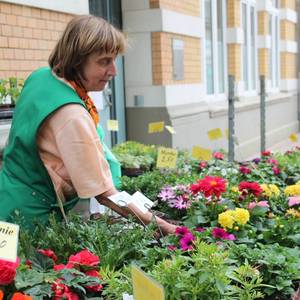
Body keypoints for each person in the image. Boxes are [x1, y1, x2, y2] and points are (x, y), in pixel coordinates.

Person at [0, 15, 177, 235]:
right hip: (31, 219)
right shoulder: (72, 115)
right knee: (24, 268)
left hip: (8, 197)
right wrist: (164, 227)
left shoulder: (43, 77)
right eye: (103, 61)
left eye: (114, 60)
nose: (113, 71)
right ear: (76, 60)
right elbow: (104, 194)